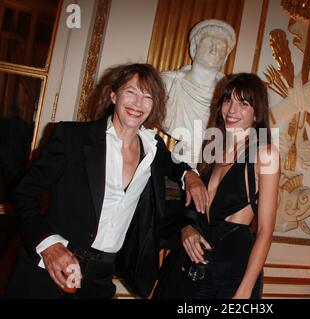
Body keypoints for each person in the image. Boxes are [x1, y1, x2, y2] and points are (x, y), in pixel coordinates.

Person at [5, 63, 208, 299]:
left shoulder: (153, 148)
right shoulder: (72, 138)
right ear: (114, 95)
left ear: (154, 106)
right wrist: (49, 246)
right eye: (130, 92)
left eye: (147, 96)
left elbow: (174, 165)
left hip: (100, 276)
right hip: (51, 268)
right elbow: (24, 194)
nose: (137, 103)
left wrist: (189, 175)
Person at [154, 73, 280, 299]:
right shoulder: (211, 149)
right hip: (190, 264)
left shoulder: (265, 154)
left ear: (256, 112)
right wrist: (187, 227)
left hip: (230, 272)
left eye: (243, 103)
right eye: (227, 100)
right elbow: (190, 207)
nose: (232, 110)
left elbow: (265, 230)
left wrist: (244, 291)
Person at [161, 19, 236, 167]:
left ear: (226, 56)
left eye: (221, 46)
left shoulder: (230, 97)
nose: (214, 50)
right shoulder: (167, 84)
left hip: (210, 164)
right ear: (194, 48)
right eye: (208, 42)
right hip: (179, 164)